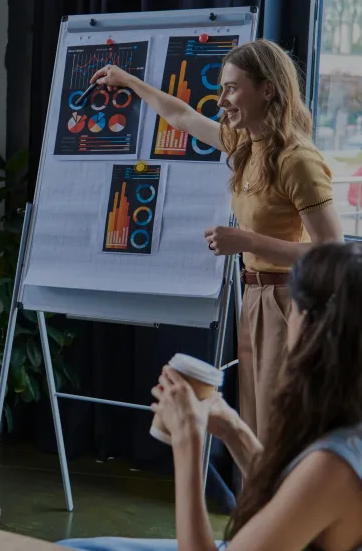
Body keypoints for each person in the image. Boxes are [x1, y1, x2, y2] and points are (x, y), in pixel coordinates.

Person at [61, 242, 362, 550]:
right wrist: (232, 429)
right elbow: (298, 501)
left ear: (311, 326)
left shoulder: (334, 467)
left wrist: (188, 445)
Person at [91, 40, 344, 438]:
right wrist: (128, 82)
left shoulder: (298, 160)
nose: (221, 99)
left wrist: (247, 242)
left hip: (290, 300)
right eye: (223, 87)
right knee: (257, 422)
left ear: (267, 89)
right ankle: (258, 501)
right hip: (257, 297)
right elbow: (182, 117)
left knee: (278, 427)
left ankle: (279, 500)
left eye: (232, 87)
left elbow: (332, 252)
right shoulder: (247, 143)